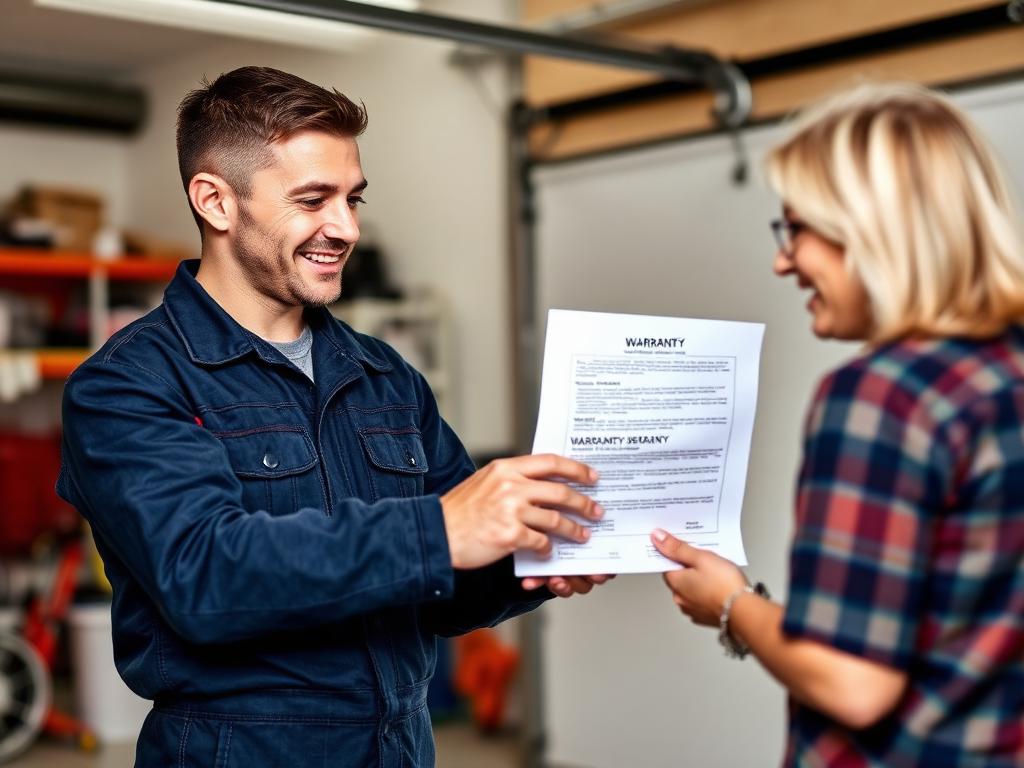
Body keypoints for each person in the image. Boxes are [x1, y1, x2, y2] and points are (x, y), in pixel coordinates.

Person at [57, 66, 609, 767]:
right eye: (313, 199)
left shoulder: (384, 375)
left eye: (353, 198)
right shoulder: (127, 385)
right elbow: (205, 573)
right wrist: (442, 529)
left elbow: (439, 594)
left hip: (399, 749)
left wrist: (529, 562)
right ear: (216, 202)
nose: (345, 228)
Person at [652, 82, 1024, 766]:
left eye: (796, 228)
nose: (783, 260)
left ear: (871, 229)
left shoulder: (883, 395)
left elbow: (853, 682)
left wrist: (731, 603)